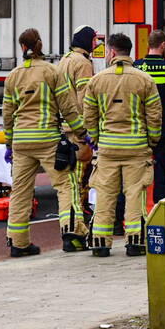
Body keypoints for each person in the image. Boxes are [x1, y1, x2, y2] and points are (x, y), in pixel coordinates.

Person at [2, 28, 91, 257]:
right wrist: (82, 132)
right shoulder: (52, 71)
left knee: (20, 191)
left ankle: (18, 243)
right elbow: (67, 107)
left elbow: (8, 113)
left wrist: (9, 142)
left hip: (21, 142)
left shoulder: (13, 75)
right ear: (40, 45)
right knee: (66, 185)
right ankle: (72, 235)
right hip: (47, 139)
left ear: (22, 47)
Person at [83, 33, 163, 257]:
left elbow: (89, 116)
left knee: (105, 195)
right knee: (135, 195)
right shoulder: (144, 80)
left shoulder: (97, 80)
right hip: (136, 148)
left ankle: (100, 242)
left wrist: (96, 139)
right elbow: (155, 115)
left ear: (112, 52)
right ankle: (135, 242)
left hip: (108, 148)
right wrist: (152, 140)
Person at [55, 25, 100, 245]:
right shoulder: (82, 63)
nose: (96, 44)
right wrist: (90, 128)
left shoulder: (64, 60)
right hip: (79, 131)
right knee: (81, 179)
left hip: (64, 127)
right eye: (94, 40)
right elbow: (85, 98)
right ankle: (78, 224)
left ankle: (73, 220)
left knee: (69, 178)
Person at [133, 31, 165, 202]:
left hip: (139, 127)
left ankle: (136, 209)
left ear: (149, 44)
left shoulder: (137, 67)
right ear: (163, 45)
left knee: (136, 172)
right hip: (163, 127)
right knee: (162, 171)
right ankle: (161, 209)